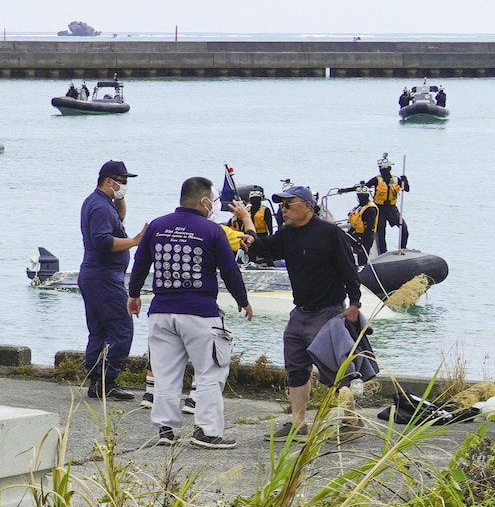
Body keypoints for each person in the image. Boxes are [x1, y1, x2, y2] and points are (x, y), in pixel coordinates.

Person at [128, 176, 253, 449]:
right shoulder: (212, 231)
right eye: (213, 201)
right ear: (204, 200)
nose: (214, 206)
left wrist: (134, 294)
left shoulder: (157, 227)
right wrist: (243, 301)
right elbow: (229, 271)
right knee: (210, 371)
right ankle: (206, 431)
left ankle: (165, 429)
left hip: (161, 311)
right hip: (200, 312)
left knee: (165, 373)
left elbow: (140, 263)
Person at [246, 186, 363, 438]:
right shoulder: (287, 234)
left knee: (336, 369)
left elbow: (349, 268)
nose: (283, 210)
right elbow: (265, 249)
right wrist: (249, 237)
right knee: (295, 367)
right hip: (300, 312)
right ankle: (298, 423)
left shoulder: (330, 233)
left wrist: (354, 303)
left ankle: (351, 421)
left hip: (329, 312)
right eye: (281, 205)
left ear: (307, 206)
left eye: (288, 205)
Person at [78, 160, 146, 401]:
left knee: (99, 329)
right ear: (109, 181)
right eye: (122, 181)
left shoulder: (101, 203)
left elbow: (119, 218)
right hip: (104, 277)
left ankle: (97, 380)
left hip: (95, 275)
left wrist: (119, 197)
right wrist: (136, 241)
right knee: (122, 328)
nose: (125, 186)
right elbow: (103, 241)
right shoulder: (100, 208)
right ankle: (108, 379)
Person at [363, 155, 410, 253]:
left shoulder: (396, 179)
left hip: (392, 208)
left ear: (390, 169)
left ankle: (403, 248)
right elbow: (365, 187)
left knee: (404, 228)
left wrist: (405, 181)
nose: (383, 171)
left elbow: (407, 189)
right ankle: (383, 252)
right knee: (381, 232)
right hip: (380, 208)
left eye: (385, 169)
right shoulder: (376, 180)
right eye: (381, 169)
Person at [347, 190, 379, 261]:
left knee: (362, 256)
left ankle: (363, 266)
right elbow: (357, 222)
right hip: (357, 233)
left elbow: (370, 226)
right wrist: (349, 232)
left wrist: (363, 238)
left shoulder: (371, 209)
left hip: (366, 236)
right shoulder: (359, 207)